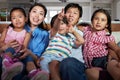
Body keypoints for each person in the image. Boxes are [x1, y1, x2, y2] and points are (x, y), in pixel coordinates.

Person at [40, 12, 84, 80]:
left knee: (55, 66)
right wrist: (58, 19)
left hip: (61, 58)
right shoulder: (54, 34)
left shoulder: (70, 38)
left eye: (62, 24)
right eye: (58, 24)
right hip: (47, 55)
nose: (60, 26)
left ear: (67, 26)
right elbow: (55, 28)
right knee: (43, 65)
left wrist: (73, 32)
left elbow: (82, 41)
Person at [78, 9, 120, 80]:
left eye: (103, 20)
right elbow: (77, 27)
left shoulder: (106, 37)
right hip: (91, 64)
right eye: (96, 19)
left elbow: (117, 49)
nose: (99, 22)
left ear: (106, 24)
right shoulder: (87, 30)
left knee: (114, 67)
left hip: (105, 60)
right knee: (88, 73)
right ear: (92, 20)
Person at [49, 3, 88, 80]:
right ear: (64, 15)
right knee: (52, 63)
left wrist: (73, 32)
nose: (71, 15)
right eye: (69, 12)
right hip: (58, 62)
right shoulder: (56, 31)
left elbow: (81, 42)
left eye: (75, 13)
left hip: (74, 63)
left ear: (79, 18)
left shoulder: (79, 32)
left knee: (67, 62)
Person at [13, 3, 50, 80]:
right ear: (29, 13)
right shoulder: (18, 27)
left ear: (43, 18)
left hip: (32, 62)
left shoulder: (44, 34)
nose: (37, 16)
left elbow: (38, 57)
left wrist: (29, 52)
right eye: (34, 11)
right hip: (14, 59)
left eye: (41, 14)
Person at [0, 7, 31, 80]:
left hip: (17, 56)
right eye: (14, 18)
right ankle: (6, 64)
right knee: (11, 48)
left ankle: (32, 73)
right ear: (11, 20)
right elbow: (0, 42)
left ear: (25, 19)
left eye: (20, 17)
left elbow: (24, 47)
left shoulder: (27, 33)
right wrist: (7, 45)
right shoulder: (7, 30)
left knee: (23, 63)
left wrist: (20, 49)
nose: (17, 20)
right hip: (5, 53)